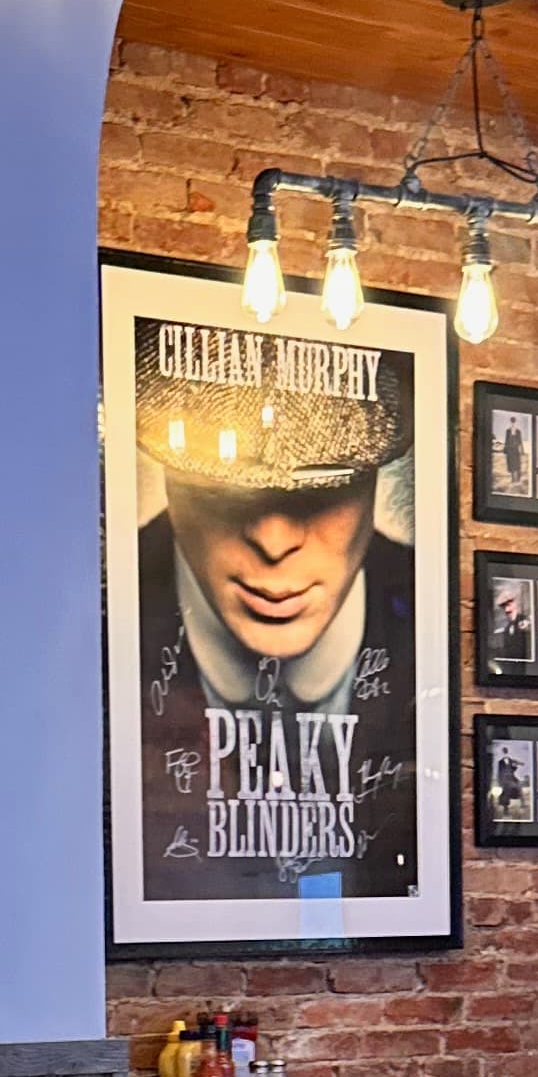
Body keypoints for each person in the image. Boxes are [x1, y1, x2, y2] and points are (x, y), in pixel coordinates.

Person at [130, 322, 421, 905]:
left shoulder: (428, 624)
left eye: (322, 492)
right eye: (217, 492)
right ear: (168, 480)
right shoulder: (102, 620)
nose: (273, 536)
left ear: (370, 488)